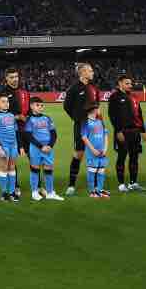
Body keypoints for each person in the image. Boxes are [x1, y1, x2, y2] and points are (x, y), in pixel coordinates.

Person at [63, 62, 101, 196]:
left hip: (95, 126)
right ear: (82, 72)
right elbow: (67, 106)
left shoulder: (94, 89)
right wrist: (77, 118)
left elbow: (97, 107)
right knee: (79, 153)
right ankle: (71, 185)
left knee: (95, 153)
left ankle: (95, 184)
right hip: (81, 125)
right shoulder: (73, 89)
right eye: (90, 71)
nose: (92, 73)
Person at [108, 73, 145, 193]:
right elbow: (112, 115)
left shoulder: (134, 97)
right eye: (127, 83)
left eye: (130, 83)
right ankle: (121, 184)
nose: (130, 85)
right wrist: (118, 131)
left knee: (134, 158)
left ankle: (133, 183)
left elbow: (139, 114)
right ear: (120, 84)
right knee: (122, 157)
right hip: (123, 132)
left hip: (135, 132)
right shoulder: (114, 97)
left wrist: (143, 130)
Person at [24, 96, 62, 201]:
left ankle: (50, 193)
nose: (40, 107)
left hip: (48, 149)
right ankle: (35, 192)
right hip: (36, 148)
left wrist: (50, 145)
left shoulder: (47, 118)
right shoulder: (29, 119)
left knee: (49, 169)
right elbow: (28, 136)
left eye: (41, 105)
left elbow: (54, 133)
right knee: (35, 169)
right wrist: (41, 146)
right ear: (31, 106)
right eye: (37, 105)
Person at [0, 67, 32, 171]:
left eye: (16, 76)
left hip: (26, 129)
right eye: (12, 77)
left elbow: (30, 108)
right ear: (6, 78)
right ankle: (15, 186)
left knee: (33, 158)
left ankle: (37, 186)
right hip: (11, 131)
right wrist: (17, 117)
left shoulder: (24, 91)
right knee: (11, 160)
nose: (15, 79)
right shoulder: (2, 93)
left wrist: (29, 117)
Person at [0, 95, 19, 202]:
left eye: (7, 101)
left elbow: (16, 131)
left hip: (13, 145)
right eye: (3, 102)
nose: (6, 103)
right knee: (3, 167)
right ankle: (4, 192)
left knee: (12, 167)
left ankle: (12, 192)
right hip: (3, 145)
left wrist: (19, 146)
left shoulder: (12, 115)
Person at [81, 102, 110, 198]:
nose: (100, 111)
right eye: (99, 109)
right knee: (92, 170)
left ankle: (100, 190)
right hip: (92, 152)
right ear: (94, 110)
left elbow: (105, 134)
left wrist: (105, 148)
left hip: (102, 151)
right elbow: (84, 138)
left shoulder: (100, 121)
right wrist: (93, 150)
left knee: (101, 170)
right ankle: (92, 191)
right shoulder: (86, 122)